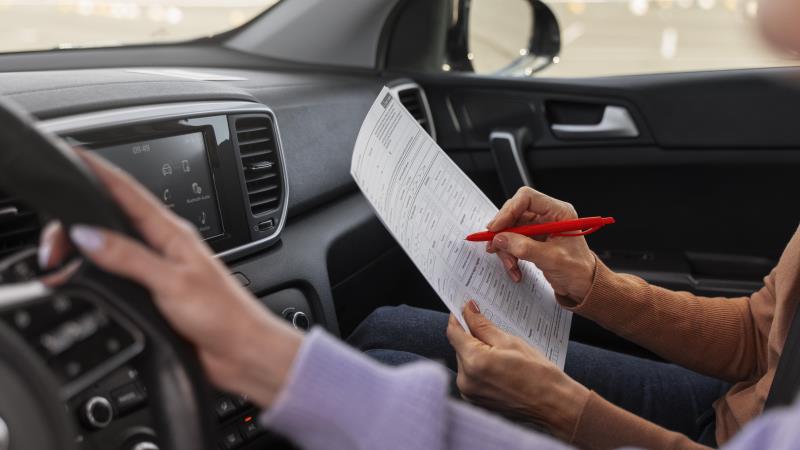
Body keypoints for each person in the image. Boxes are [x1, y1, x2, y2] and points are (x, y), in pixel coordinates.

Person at [38, 151, 800, 450]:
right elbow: (761, 336)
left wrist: (565, 412)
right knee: (387, 330)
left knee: (397, 366)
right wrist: (596, 287)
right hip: (740, 410)